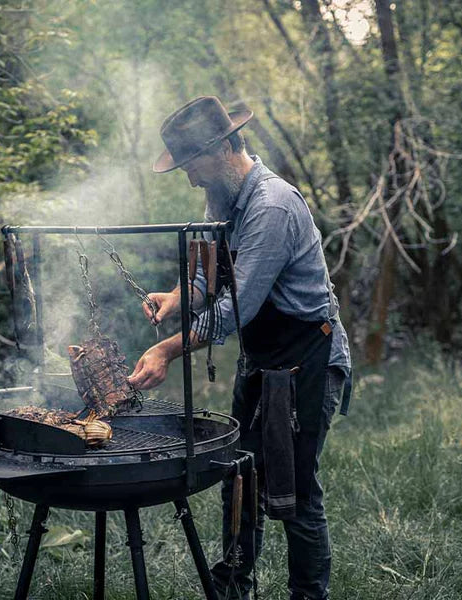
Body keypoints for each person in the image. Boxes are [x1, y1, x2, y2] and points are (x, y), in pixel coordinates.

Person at [128, 96, 352, 600]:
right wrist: (176, 297)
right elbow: (207, 279)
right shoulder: (222, 197)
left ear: (227, 148)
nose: (191, 179)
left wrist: (166, 349)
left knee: (293, 491)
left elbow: (239, 307)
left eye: (194, 166)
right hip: (263, 361)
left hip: (307, 360)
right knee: (239, 476)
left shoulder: (273, 206)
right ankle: (234, 590)